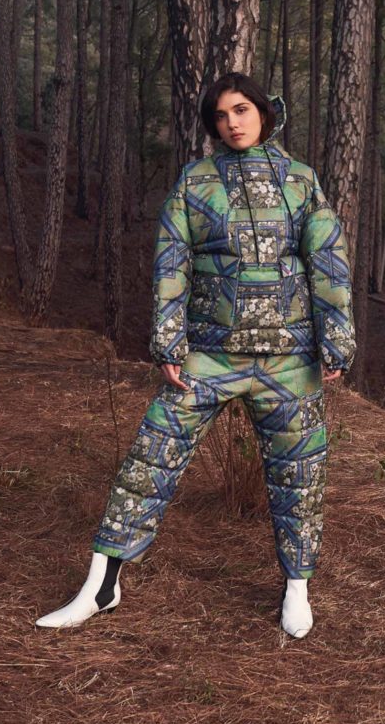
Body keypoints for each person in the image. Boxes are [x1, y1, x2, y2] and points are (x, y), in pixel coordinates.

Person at [36, 73, 355, 638]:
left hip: (289, 360)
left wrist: (337, 338)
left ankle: (297, 588)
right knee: (149, 459)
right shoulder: (196, 181)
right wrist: (169, 339)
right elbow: (172, 263)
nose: (232, 123)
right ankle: (101, 586)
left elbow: (327, 260)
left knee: (300, 476)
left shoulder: (301, 181)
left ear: (263, 112)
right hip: (209, 357)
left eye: (241, 110)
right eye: (221, 116)